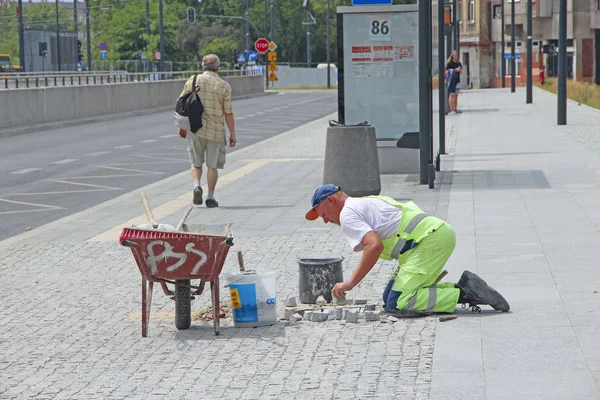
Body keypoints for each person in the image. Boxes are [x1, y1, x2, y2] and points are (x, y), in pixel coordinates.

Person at [305, 184, 510, 314]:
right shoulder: (362, 202)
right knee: (389, 298)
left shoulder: (347, 214)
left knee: (399, 302)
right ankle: (466, 286)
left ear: (330, 200)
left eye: (323, 214)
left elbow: (374, 246)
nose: (325, 221)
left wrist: (350, 283)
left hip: (428, 241)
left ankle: (467, 293)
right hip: (428, 237)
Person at [178, 54, 236, 208]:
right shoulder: (224, 85)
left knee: (196, 163)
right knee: (212, 166)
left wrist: (183, 126)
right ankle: (210, 197)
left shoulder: (193, 80)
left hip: (195, 129)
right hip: (216, 131)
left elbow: (182, 105)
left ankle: (197, 186)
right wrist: (232, 133)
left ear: (203, 66)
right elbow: (228, 112)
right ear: (218, 67)